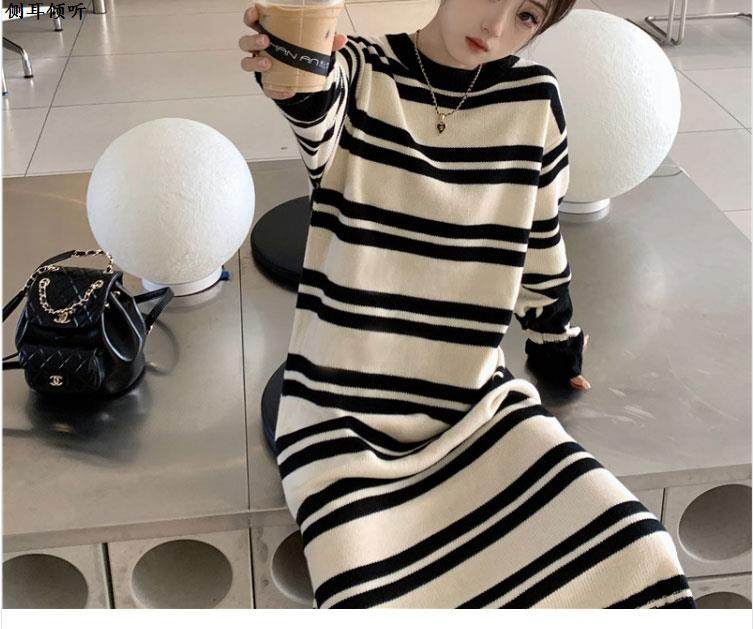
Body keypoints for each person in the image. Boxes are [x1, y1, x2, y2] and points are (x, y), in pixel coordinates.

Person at [239, 0, 695, 609]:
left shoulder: (535, 100)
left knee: (639, 554)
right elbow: (313, 100)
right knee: (379, 597)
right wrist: (291, 65)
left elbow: (540, 238)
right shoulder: (363, 71)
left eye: (527, 15)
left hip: (472, 407)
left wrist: (555, 345)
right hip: (342, 417)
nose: (496, 27)